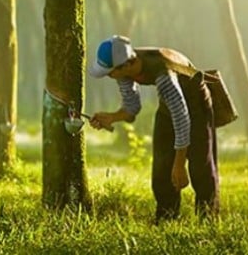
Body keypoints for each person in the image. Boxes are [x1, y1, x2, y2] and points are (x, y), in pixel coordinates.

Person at [88, 35, 219, 223]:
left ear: (125, 66)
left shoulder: (164, 75)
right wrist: (112, 117)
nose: (109, 76)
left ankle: (208, 220)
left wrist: (179, 163)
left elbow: (182, 119)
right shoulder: (124, 71)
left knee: (200, 167)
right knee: (161, 167)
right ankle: (166, 218)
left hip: (196, 106)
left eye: (110, 72)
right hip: (168, 108)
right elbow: (132, 107)